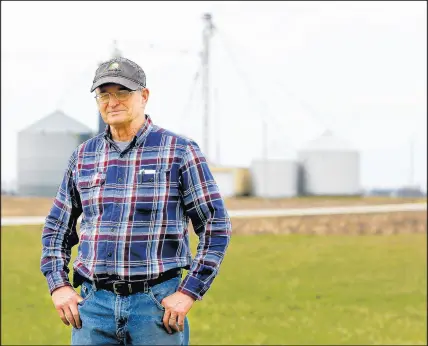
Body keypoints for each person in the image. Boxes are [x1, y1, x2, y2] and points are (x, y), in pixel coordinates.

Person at [40, 56, 232, 345]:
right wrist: (58, 286)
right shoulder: (84, 155)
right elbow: (57, 228)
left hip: (156, 308)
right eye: (104, 94)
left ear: (144, 96)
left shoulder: (179, 151)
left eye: (122, 93)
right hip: (92, 309)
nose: (112, 101)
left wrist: (189, 291)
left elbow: (215, 225)